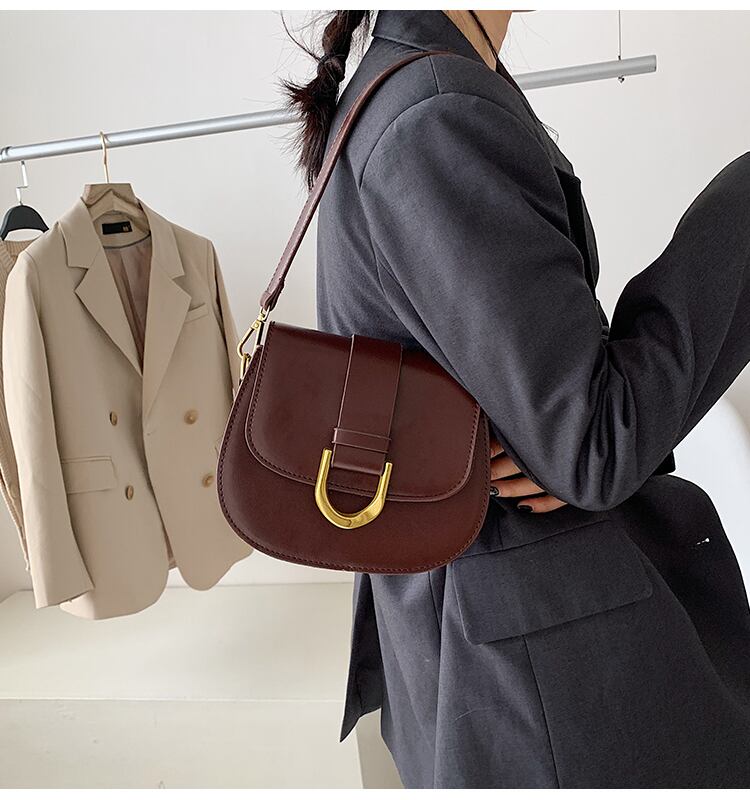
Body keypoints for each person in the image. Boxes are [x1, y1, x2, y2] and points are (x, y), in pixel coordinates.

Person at [283, 9, 750, 788]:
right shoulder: (433, 112)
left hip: (510, 658)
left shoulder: (414, 75)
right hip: (546, 688)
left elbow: (560, 426)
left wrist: (555, 432)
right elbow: (592, 445)